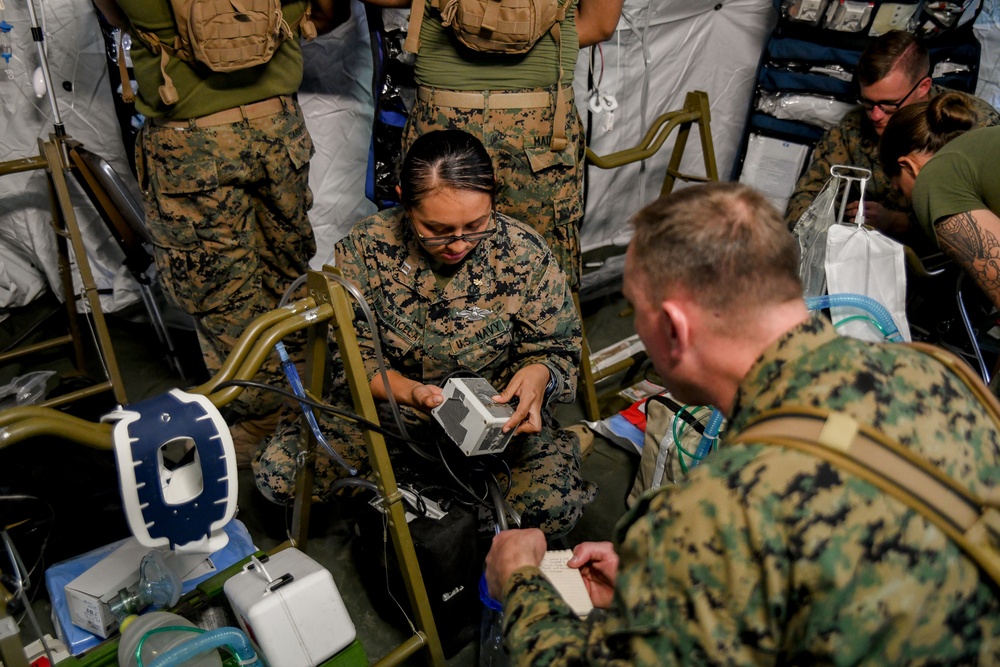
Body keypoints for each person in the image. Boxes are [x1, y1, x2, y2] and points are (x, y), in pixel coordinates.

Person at [485, 182, 1000, 664]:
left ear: (671, 327)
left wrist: (522, 582)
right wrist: (681, 586)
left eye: (635, 309)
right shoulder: (938, 371)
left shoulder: (714, 511)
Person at [254, 129, 594, 536]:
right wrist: (411, 393)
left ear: (493, 195)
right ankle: (426, 495)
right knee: (280, 475)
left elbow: (556, 348)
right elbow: (353, 360)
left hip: (490, 431)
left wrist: (539, 375)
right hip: (389, 417)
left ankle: (535, 459)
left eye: (476, 225)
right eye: (436, 228)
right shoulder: (364, 251)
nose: (458, 243)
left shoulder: (525, 254)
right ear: (404, 199)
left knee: (554, 507)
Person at [91, 0, 343, 465]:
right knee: (285, 272)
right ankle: (309, 401)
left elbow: (115, 17)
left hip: (191, 139)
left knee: (220, 294)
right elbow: (326, 11)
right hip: (276, 127)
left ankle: (261, 421)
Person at [363, 0, 623, 289]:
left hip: (443, 119)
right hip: (542, 129)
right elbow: (600, 24)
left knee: (437, 278)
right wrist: (520, 34)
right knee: (539, 280)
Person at [785, 30, 999, 239]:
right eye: (868, 103)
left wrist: (897, 223)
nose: (876, 115)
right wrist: (833, 239)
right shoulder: (853, 129)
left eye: (889, 104)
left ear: (923, 87)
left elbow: (983, 229)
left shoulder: (971, 125)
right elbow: (805, 201)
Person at [880, 91, 1000, 314]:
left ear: (908, 166)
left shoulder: (935, 177)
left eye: (899, 186)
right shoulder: (983, 147)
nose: (908, 198)